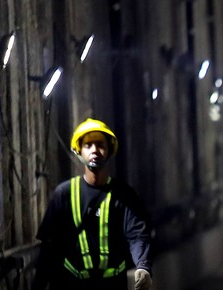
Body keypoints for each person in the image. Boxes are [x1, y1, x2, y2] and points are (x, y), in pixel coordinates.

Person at [32, 118, 153, 290]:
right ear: (79, 151)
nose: (94, 150)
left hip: (112, 285)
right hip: (73, 284)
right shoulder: (64, 194)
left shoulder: (124, 195)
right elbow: (49, 248)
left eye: (100, 145)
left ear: (109, 150)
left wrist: (143, 266)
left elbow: (137, 235)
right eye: (88, 146)